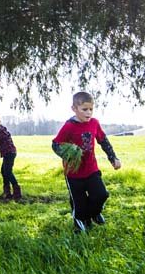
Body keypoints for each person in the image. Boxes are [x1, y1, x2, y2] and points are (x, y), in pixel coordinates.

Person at [52, 91, 121, 233]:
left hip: (91, 170)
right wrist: (69, 154)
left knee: (101, 195)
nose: (88, 112)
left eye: (91, 109)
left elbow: (103, 140)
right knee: (79, 202)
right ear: (74, 109)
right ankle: (79, 223)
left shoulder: (94, 123)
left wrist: (113, 158)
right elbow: (55, 144)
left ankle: (94, 213)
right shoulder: (69, 126)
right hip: (73, 173)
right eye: (84, 109)